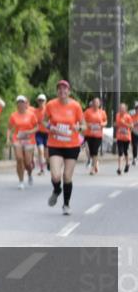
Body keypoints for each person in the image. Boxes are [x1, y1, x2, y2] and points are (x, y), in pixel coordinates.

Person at [43, 80, 85, 216]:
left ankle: (66, 204)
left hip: (72, 145)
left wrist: (78, 127)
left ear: (69, 91)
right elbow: (43, 121)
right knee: (56, 175)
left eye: (65, 89)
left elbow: (84, 125)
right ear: (57, 92)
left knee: (67, 176)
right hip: (55, 144)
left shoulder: (76, 106)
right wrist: (51, 127)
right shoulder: (50, 105)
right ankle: (57, 190)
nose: (62, 91)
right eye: (59, 89)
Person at [6, 95, 38, 190]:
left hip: (29, 140)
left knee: (28, 163)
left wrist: (29, 132)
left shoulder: (31, 115)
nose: (20, 104)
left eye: (22, 102)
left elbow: (37, 127)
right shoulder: (13, 115)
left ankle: (29, 173)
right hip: (17, 139)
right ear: (17, 104)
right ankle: (21, 181)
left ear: (25, 104)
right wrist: (8, 139)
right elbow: (9, 128)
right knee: (19, 159)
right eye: (18, 102)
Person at [82, 97, 107, 175]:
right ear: (92, 103)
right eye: (94, 102)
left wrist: (102, 124)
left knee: (95, 152)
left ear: (99, 104)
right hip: (88, 134)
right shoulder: (87, 112)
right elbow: (82, 120)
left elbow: (105, 121)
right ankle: (95, 163)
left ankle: (92, 168)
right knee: (89, 151)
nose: (96, 104)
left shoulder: (102, 112)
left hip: (98, 135)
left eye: (97, 102)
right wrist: (87, 124)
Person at [114, 102, 133, 175]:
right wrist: (115, 124)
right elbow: (116, 123)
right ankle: (119, 168)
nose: (121, 109)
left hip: (126, 137)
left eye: (123, 108)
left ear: (125, 109)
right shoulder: (117, 115)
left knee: (125, 152)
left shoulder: (128, 116)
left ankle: (127, 164)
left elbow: (131, 126)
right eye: (120, 108)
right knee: (120, 152)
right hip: (119, 137)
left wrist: (124, 123)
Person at [33, 94, 49, 175]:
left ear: (45, 101)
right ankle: (42, 169)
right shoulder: (35, 112)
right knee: (40, 150)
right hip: (39, 133)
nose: (41, 102)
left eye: (42, 100)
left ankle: (48, 162)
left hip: (48, 133)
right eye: (39, 100)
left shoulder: (48, 111)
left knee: (47, 153)